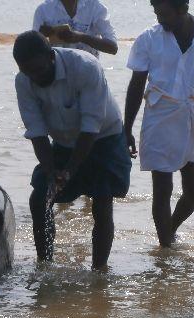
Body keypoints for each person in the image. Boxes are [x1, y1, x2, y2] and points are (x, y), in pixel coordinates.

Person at [13, 30, 132, 268]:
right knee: (39, 197)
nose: (35, 78)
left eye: (39, 70)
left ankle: (99, 271)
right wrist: (50, 172)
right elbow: (36, 133)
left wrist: (69, 171)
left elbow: (91, 127)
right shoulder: (24, 80)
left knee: (102, 200)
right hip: (64, 141)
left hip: (103, 137)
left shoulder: (85, 67)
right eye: (28, 72)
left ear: (51, 57)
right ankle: (44, 264)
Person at [124, 0, 194, 248]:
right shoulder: (148, 38)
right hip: (159, 119)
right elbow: (137, 84)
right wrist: (126, 127)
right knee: (162, 190)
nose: (159, 18)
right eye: (156, 12)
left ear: (183, 9)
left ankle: (170, 230)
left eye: (164, 14)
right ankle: (165, 246)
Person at [32, 0, 118, 57]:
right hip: (56, 74)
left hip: (89, 72)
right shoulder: (43, 10)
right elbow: (33, 52)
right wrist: (42, 38)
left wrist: (81, 37)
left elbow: (113, 48)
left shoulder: (96, 8)